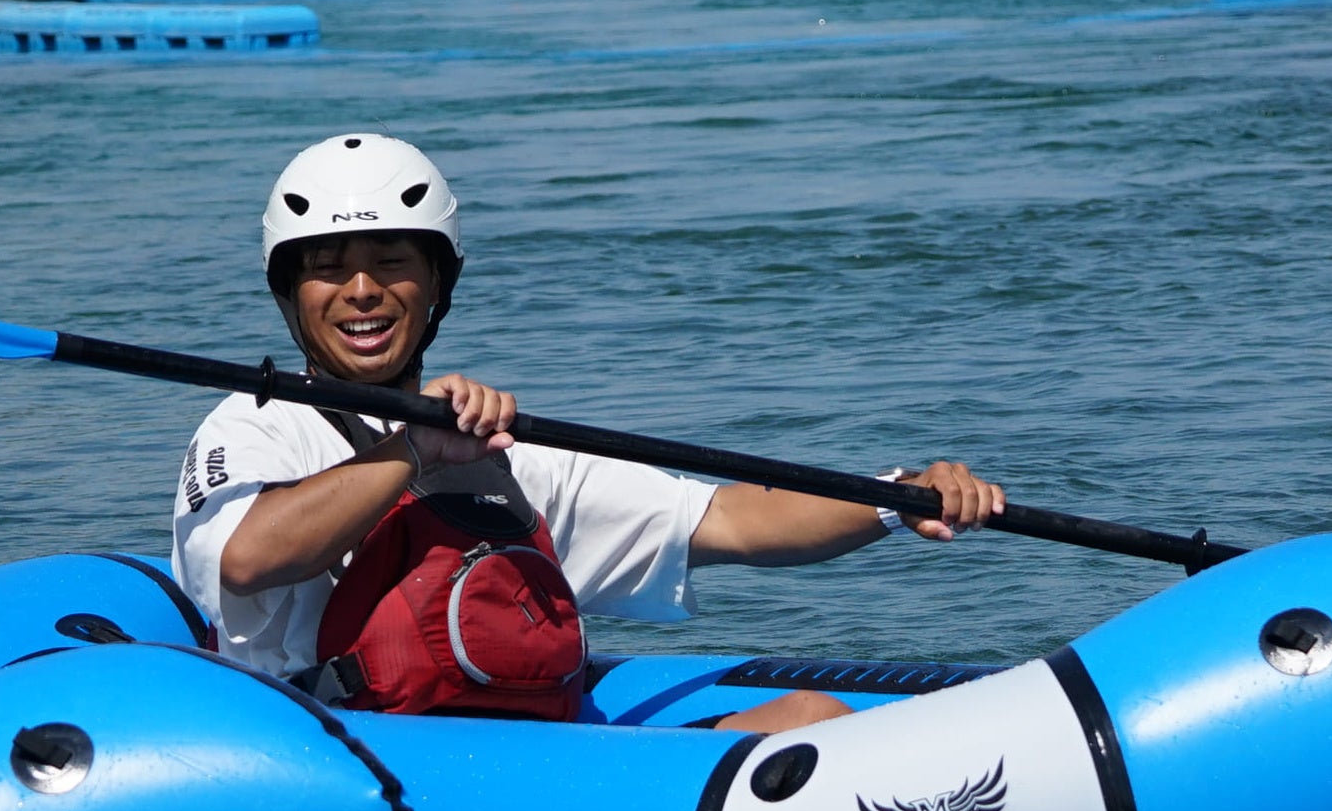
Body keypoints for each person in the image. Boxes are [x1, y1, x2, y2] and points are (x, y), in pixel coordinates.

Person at [171, 133, 1002, 732]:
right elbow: (249, 557)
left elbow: (732, 519)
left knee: (810, 717)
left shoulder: (502, 453)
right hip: (340, 762)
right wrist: (415, 449)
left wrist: (896, 499)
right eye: (328, 268)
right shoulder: (254, 427)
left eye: (391, 261)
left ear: (437, 285)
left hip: (527, 766)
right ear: (289, 294)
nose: (361, 290)